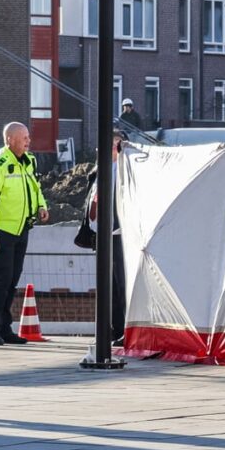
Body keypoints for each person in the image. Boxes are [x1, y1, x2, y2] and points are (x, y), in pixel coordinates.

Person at [0, 120, 48, 346]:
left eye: (28, 137)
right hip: (2, 232)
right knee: (1, 280)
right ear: (10, 140)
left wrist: (42, 206)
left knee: (12, 281)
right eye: (24, 138)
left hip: (21, 229)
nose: (28, 141)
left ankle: (6, 328)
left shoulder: (28, 161)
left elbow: (34, 187)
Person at [84, 133, 127, 347]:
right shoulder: (100, 171)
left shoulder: (125, 171)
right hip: (102, 234)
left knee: (122, 284)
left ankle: (125, 330)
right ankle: (112, 329)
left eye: (115, 144)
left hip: (120, 234)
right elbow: (92, 200)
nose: (109, 149)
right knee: (107, 285)